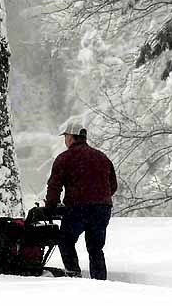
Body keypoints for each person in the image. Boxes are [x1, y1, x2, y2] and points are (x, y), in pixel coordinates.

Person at [44, 120, 117, 280]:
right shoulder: (101, 157)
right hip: (102, 209)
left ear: (71, 137)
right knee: (95, 247)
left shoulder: (65, 158)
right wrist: (99, 197)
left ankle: (73, 274)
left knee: (65, 240)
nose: (65, 140)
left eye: (65, 136)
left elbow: (54, 186)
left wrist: (50, 207)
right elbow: (113, 185)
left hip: (78, 208)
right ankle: (100, 280)